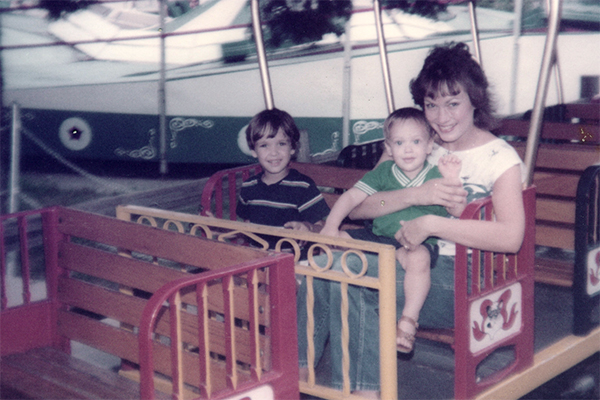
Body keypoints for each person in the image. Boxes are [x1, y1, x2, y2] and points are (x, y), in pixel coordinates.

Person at [297, 42, 526, 399]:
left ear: (475, 100)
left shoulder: (500, 158)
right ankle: (304, 377)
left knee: (347, 274)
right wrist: (417, 196)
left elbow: (511, 237)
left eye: (453, 103)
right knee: (325, 266)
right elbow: (361, 208)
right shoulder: (415, 142)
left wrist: (432, 225)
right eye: (431, 104)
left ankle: (356, 390)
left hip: (468, 277)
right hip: (405, 259)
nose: (441, 116)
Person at [319, 107, 464, 353]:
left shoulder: (436, 174)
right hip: (378, 237)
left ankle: (408, 320)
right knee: (337, 241)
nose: (408, 149)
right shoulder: (383, 173)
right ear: (388, 148)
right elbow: (351, 198)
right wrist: (331, 226)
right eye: (399, 142)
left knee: (419, 259)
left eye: (416, 141)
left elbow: (459, 210)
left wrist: (453, 180)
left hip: (413, 242)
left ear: (430, 146)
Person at [236, 108, 330, 248]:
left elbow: (322, 229)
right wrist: (223, 228)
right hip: (256, 261)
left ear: (292, 148)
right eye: (264, 145)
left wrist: (307, 227)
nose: (274, 153)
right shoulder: (249, 187)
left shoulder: (303, 187)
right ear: (254, 152)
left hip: (293, 263)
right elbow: (247, 226)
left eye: (281, 144)